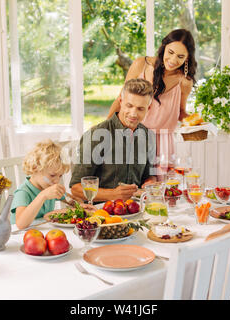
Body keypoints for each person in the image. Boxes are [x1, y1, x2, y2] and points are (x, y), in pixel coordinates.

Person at [107, 29, 197, 161]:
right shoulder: (141, 65)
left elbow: (181, 112)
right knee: (132, 181)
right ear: (164, 47)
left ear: (187, 57)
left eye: (180, 56)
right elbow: (121, 100)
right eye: (170, 52)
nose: (173, 60)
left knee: (162, 181)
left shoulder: (184, 81)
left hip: (163, 143)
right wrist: (105, 128)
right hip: (134, 136)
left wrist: (195, 122)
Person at [70, 78, 157, 202]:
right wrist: (113, 194)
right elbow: (76, 188)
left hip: (136, 210)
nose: (133, 114)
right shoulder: (96, 135)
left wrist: (149, 183)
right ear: (121, 102)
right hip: (101, 214)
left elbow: (149, 176)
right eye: (129, 106)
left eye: (140, 109)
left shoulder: (149, 136)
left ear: (148, 108)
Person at [10, 140, 91, 229]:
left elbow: (71, 200)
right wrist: (43, 195)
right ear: (35, 168)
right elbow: (21, 224)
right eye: (52, 175)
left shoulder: (48, 186)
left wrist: (80, 206)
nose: (56, 180)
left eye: (60, 176)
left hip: (44, 231)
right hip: (20, 236)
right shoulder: (23, 192)